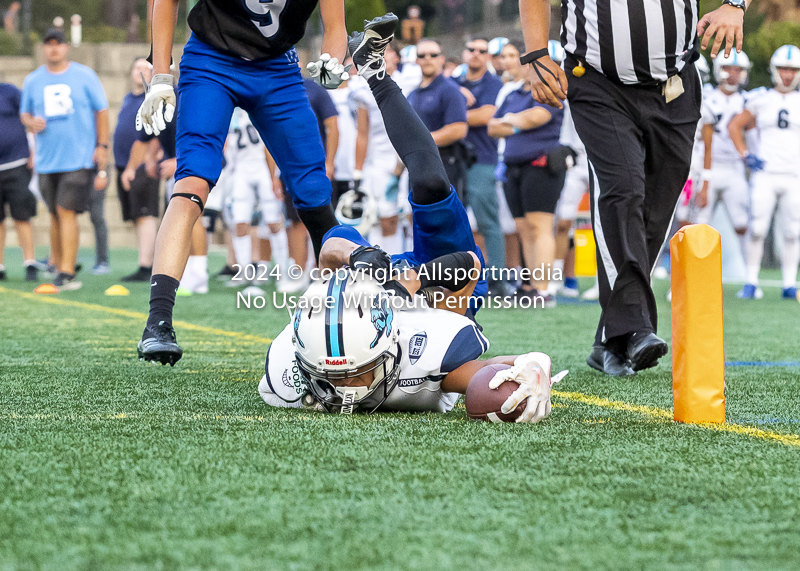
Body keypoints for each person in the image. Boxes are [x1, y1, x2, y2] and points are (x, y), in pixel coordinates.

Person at [259, 15, 565, 421]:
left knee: (323, 217)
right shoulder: (428, 355)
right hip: (444, 297)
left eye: (357, 373)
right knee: (432, 185)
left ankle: (371, 71)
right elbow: (472, 268)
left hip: (375, 287)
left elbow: (330, 252)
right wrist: (532, 367)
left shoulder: (289, 369)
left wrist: (358, 257)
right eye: (345, 377)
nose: (350, 390)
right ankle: (367, 71)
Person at [518, 0, 751, 376]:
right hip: (596, 81)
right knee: (623, 189)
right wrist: (535, 54)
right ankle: (634, 327)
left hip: (675, 84)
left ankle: (610, 337)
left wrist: (735, 5)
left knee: (656, 210)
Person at [135, 0, 348, 365]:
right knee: (193, 180)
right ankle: (157, 322)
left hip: (278, 66)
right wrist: (160, 73)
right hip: (211, 60)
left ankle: (343, 315)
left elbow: (336, 26)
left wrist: (333, 60)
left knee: (313, 188)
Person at [20, 28, 109, 291]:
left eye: (58, 44)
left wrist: (101, 146)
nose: (53, 49)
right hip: (48, 159)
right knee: (54, 215)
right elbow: (25, 114)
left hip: (79, 157)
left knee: (66, 210)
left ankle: (67, 271)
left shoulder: (84, 75)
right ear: (43, 49)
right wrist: (31, 122)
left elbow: (102, 111)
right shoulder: (33, 80)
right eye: (48, 44)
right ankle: (60, 264)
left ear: (66, 47)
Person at [488, 61, 565, 307]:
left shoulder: (549, 91)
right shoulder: (512, 93)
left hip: (541, 164)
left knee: (539, 226)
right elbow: (491, 127)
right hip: (513, 167)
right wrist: (516, 124)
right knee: (523, 228)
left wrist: (508, 121)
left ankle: (543, 290)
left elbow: (538, 117)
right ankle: (531, 285)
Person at [728, 45, 800, 301]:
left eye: (792, 69)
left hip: (793, 174)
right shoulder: (761, 98)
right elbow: (735, 125)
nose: (788, 75)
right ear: (774, 70)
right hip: (766, 173)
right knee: (757, 228)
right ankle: (751, 281)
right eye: (783, 69)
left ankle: (790, 284)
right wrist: (745, 154)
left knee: (792, 231)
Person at [455, 37, 507, 296]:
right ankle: (452, 278)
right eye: (471, 49)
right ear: (464, 53)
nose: (476, 54)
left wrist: (452, 112)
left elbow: (487, 116)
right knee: (453, 221)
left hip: (483, 160)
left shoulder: (494, 84)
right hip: (452, 161)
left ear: (488, 56)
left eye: (482, 51)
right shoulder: (453, 83)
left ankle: (497, 279)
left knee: (488, 222)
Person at [695, 51, 752, 265]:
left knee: (742, 224)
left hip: (734, 169)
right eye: (728, 68)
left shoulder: (748, 100)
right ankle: (687, 273)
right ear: (718, 69)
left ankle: (750, 276)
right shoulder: (705, 95)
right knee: (697, 224)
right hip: (704, 166)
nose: (733, 74)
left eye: (738, 70)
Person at [351, 42, 406, 254]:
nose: (381, 56)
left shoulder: (409, 83)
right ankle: (380, 271)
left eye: (387, 51)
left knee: (399, 218)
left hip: (402, 160)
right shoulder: (364, 89)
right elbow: (362, 134)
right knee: (374, 218)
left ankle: (402, 268)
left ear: (397, 57)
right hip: (376, 162)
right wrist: (358, 170)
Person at [115, 58, 161, 282]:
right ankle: (143, 261)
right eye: (137, 67)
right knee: (136, 216)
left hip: (143, 166)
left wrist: (147, 159)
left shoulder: (154, 98)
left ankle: (147, 266)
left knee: (145, 215)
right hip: (124, 164)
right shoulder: (128, 98)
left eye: (146, 68)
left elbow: (155, 134)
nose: (140, 72)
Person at [407, 39, 468, 200]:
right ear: (416, 60)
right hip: (417, 166)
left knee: (445, 219)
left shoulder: (450, 90)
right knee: (418, 217)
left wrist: (421, 143)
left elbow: (458, 130)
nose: (427, 58)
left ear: (442, 59)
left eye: (433, 55)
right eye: (422, 55)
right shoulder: (412, 95)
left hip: (445, 164)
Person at [0, 81, 37, 282]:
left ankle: (30, 263)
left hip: (16, 164)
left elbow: (28, 119)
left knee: (22, 216)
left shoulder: (10, 91)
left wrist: (33, 150)